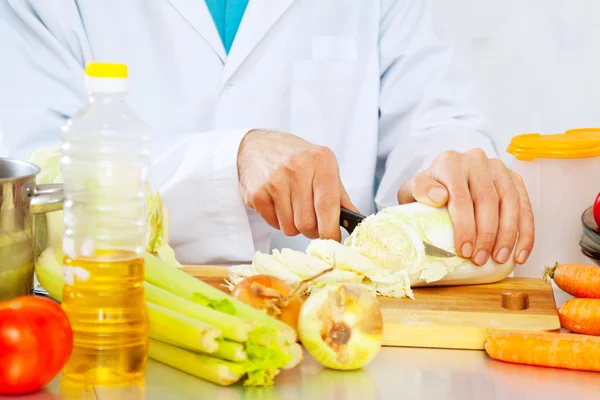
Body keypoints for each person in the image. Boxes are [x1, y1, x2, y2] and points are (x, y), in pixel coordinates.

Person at [0, 0, 534, 267]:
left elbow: (430, 116)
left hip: (339, 329)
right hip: (122, 326)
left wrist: (451, 167)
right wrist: (228, 159)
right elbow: (32, 181)